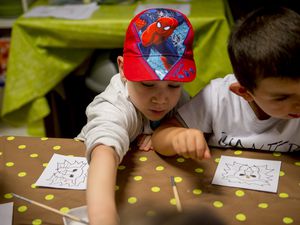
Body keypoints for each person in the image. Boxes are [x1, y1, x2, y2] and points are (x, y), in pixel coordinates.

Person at [77, 8, 196, 225]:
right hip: (95, 184)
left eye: (174, 85)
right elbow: (104, 153)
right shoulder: (114, 105)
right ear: (123, 69)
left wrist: (165, 131)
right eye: (148, 84)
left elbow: (189, 123)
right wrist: (103, 217)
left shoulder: (179, 98)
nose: (161, 99)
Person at [152, 6, 300, 160]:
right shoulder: (217, 97)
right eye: (282, 98)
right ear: (244, 92)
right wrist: (177, 138)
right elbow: (160, 136)